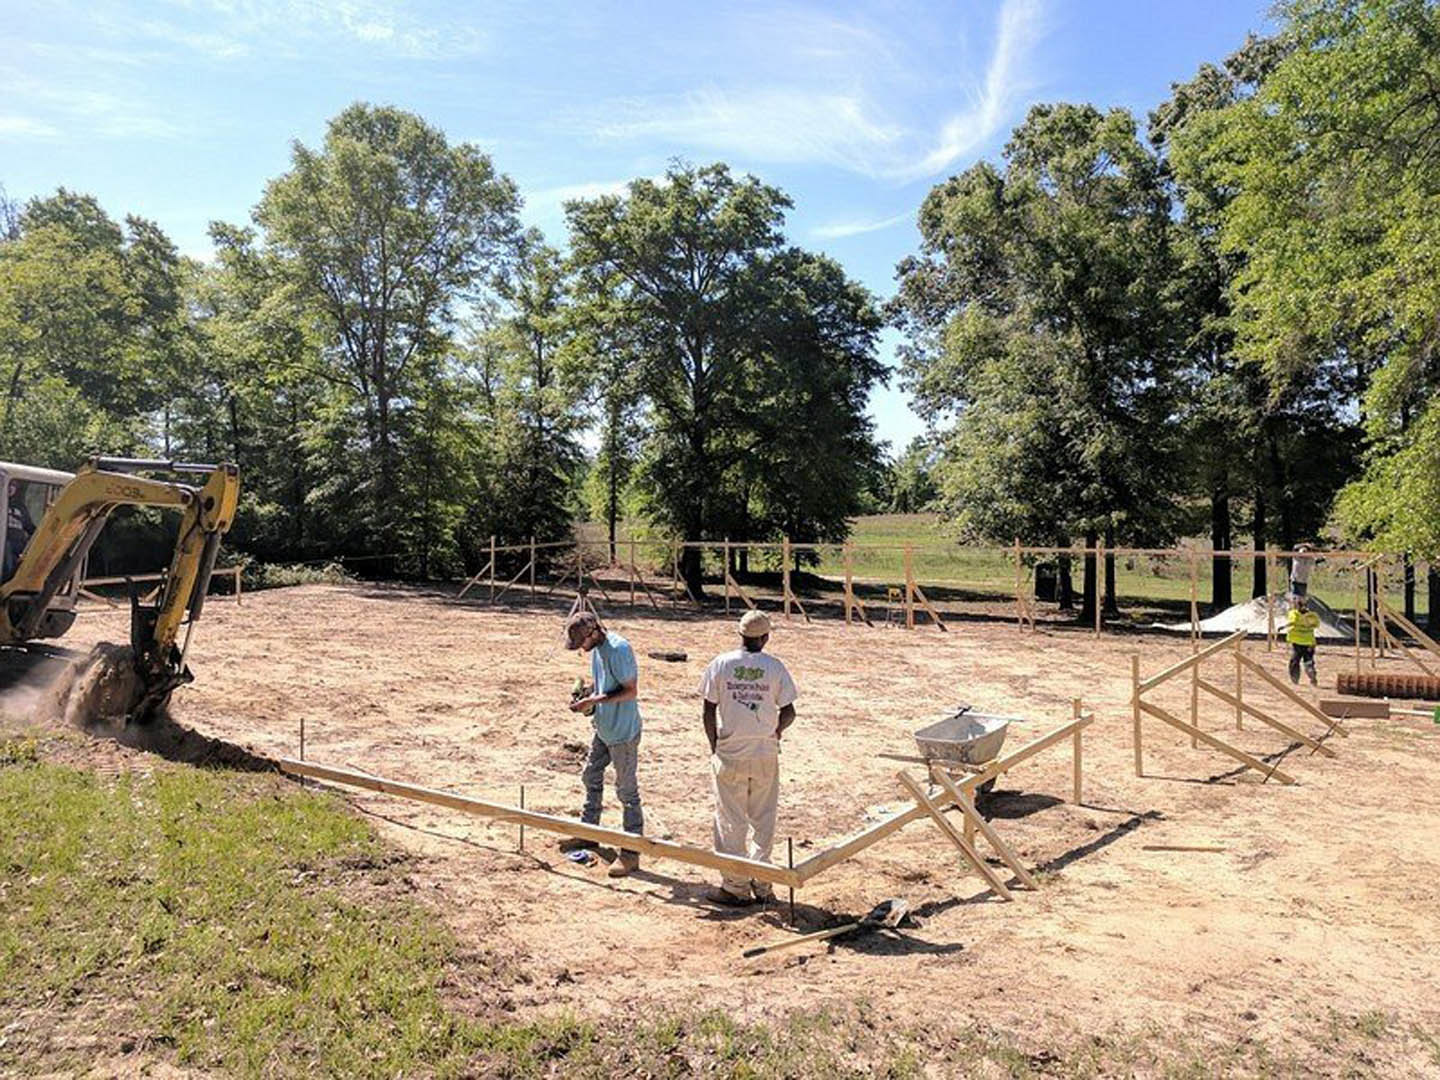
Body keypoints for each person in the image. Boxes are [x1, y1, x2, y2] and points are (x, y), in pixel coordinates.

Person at [698, 609, 797, 907]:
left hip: (730, 753)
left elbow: (708, 709)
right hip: (765, 752)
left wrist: (715, 744)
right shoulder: (775, 667)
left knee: (731, 819)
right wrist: (776, 731)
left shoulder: (721, 664)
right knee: (764, 818)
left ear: (740, 635)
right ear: (765, 638)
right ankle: (763, 883)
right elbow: (789, 710)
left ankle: (735, 886)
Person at [563, 611, 643, 877]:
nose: (582, 650)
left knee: (626, 792)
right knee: (591, 776)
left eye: (582, 643)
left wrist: (593, 702)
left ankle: (631, 853)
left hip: (623, 733)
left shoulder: (618, 649)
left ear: (594, 632)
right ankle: (589, 833)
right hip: (603, 728)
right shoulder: (597, 649)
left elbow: (630, 690)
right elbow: (605, 685)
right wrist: (587, 696)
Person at [3, 479, 35, 581]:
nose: (11, 488)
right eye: (9, 485)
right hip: (4, 544)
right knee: (7, 548)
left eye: (13, 485)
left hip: (19, 544)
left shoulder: (20, 507)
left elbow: (29, 526)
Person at [1287, 595, 1321, 686]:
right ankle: (1312, 676)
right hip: (1309, 642)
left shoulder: (1294, 614)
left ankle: (1295, 679)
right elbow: (1316, 624)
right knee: (1308, 661)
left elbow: (1292, 621)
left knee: (1295, 661)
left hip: (1298, 642)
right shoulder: (1313, 616)